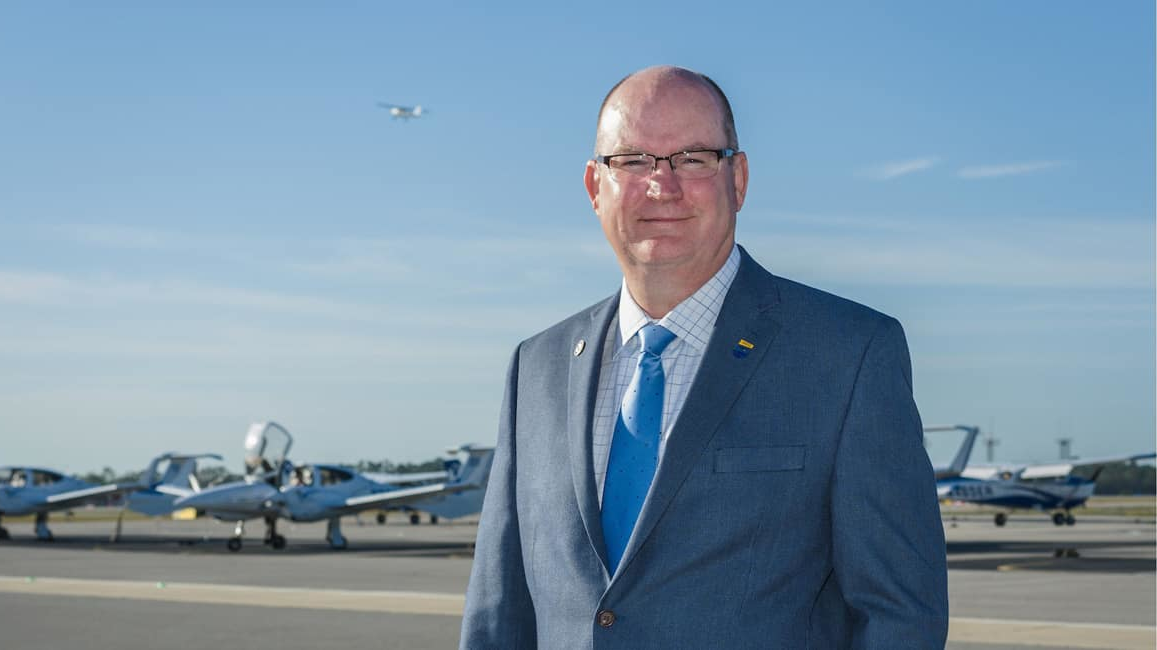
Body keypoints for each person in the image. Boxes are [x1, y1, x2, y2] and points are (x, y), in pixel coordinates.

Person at [460, 65, 948, 649]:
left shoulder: (847, 355)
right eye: (633, 161)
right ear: (596, 187)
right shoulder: (536, 369)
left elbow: (900, 616)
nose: (661, 186)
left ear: (737, 179)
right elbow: (498, 613)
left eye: (693, 158)